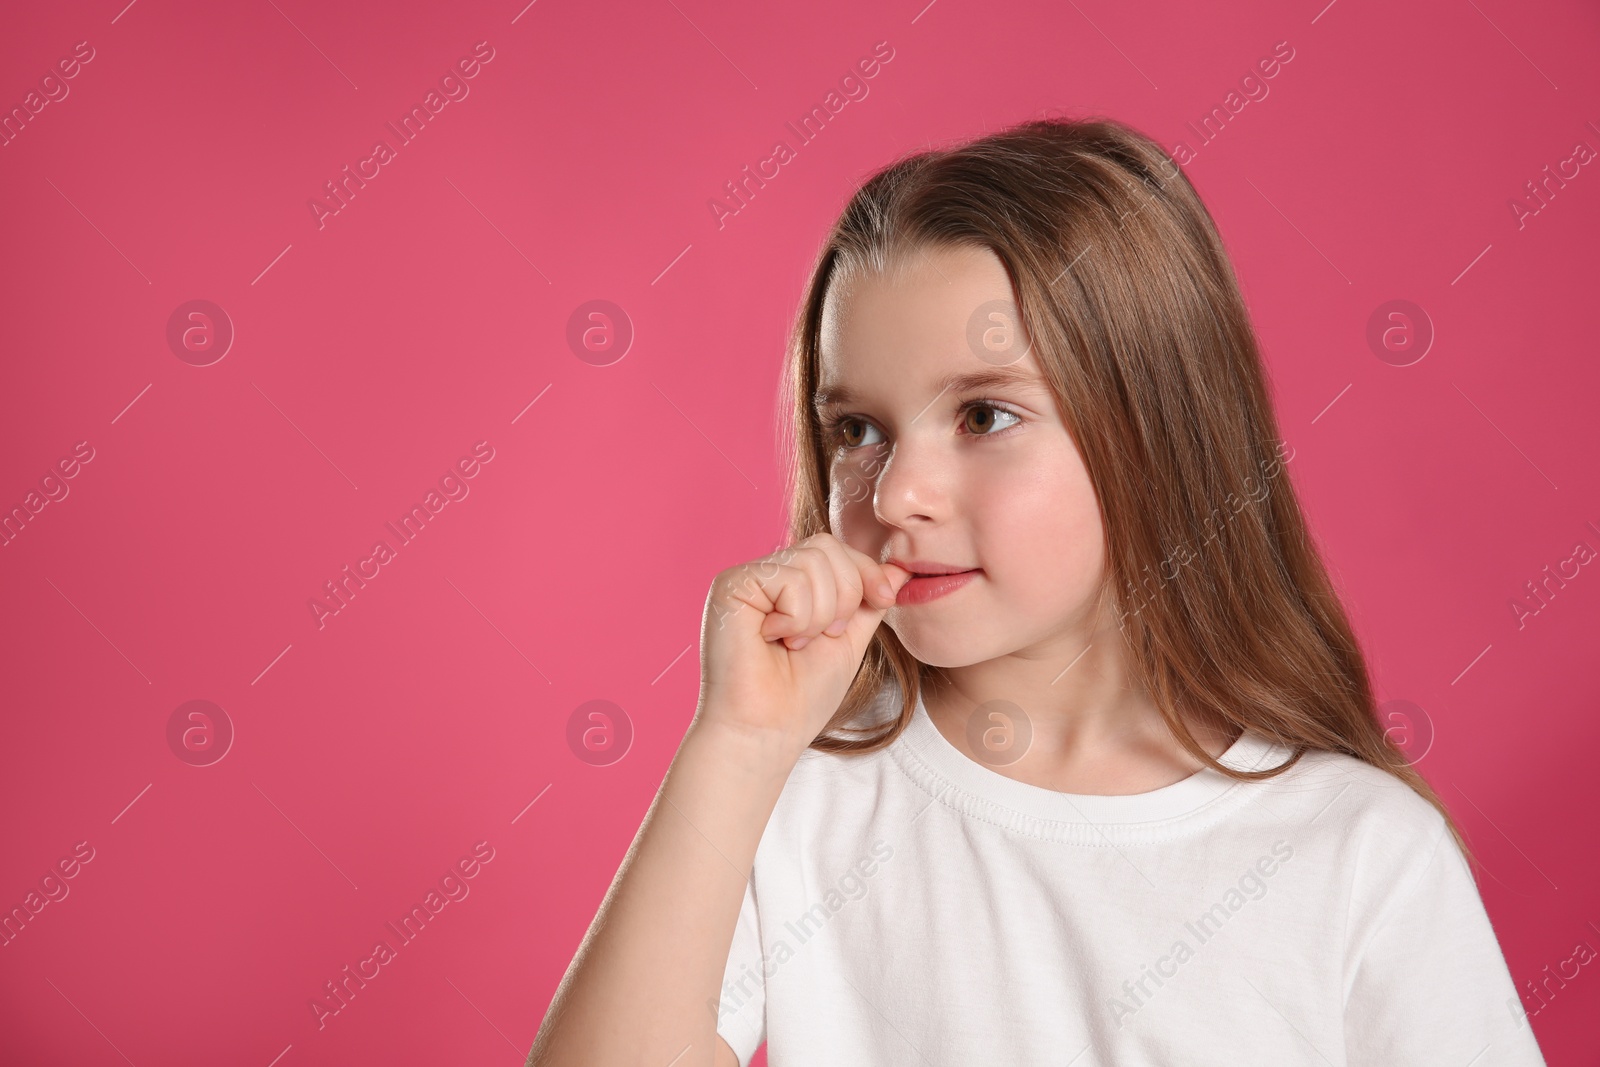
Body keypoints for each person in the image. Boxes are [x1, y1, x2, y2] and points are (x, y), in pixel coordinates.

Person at [526, 117, 1549, 1066]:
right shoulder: (797, 798)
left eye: (983, 416)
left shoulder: (1356, 852)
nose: (897, 492)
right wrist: (738, 742)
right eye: (856, 428)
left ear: (1154, 428)